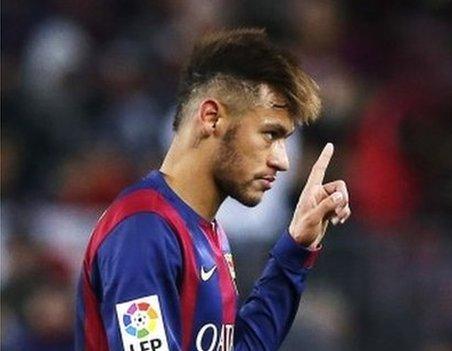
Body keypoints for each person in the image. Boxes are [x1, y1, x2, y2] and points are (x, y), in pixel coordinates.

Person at [75, 28, 351, 351]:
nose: (282, 161)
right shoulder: (144, 230)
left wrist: (295, 249)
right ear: (211, 117)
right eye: (270, 134)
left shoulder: (206, 233)